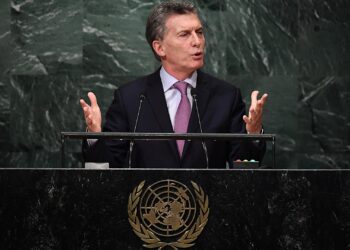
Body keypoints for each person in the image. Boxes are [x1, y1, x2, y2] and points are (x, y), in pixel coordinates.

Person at [80, 0, 268, 168]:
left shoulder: (226, 97)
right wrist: (95, 136)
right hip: (147, 204)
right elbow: (108, 168)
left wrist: (252, 134)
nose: (197, 42)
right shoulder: (130, 98)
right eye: (185, 34)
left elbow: (243, 170)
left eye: (200, 32)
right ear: (160, 47)